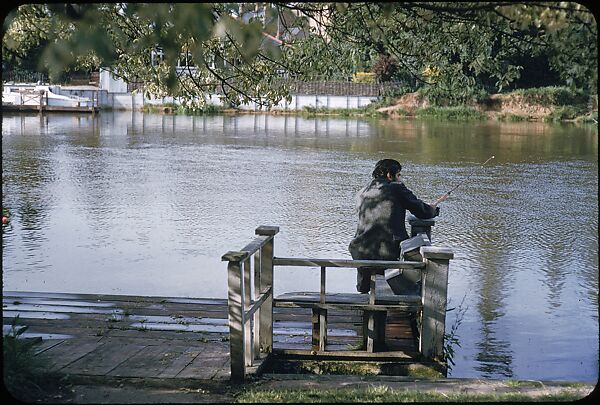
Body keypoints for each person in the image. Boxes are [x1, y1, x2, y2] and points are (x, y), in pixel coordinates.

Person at [348, 158, 447, 293]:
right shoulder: (396, 188)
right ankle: (402, 301)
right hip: (387, 251)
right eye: (399, 175)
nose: (400, 178)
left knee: (368, 291)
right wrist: (433, 210)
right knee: (403, 283)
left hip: (360, 249)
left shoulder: (362, 191)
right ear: (389, 174)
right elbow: (422, 211)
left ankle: (366, 300)